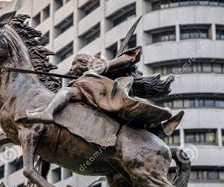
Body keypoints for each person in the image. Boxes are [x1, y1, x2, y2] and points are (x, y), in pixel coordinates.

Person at [17, 46, 183, 137]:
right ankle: (155, 129)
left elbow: (131, 56)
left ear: (81, 64)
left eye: (73, 66)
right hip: (98, 103)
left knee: (66, 92)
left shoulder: (91, 75)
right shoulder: (85, 78)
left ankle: (48, 113)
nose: (71, 70)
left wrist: (105, 66)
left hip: (99, 95)